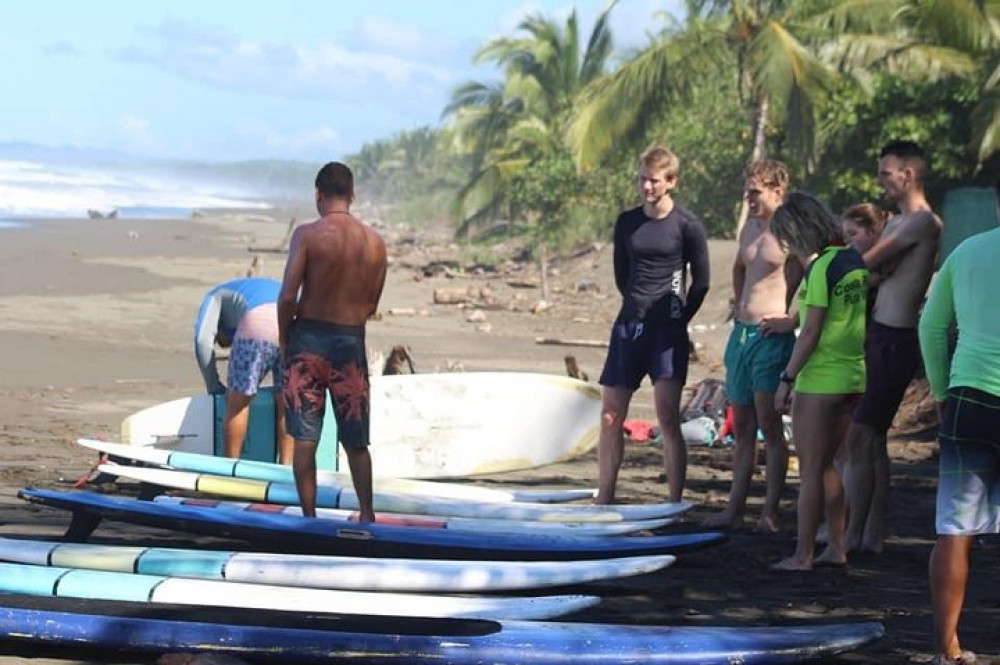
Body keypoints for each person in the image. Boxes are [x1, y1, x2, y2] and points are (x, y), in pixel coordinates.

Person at [594, 145, 710, 505]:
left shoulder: (686, 225)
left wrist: (677, 319)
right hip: (629, 327)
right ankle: (605, 495)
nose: (646, 186)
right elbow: (621, 274)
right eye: (642, 179)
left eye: (654, 181)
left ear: (671, 181)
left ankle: (674, 501)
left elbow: (702, 282)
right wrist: (636, 307)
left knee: (667, 417)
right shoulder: (627, 222)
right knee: (612, 414)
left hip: (667, 335)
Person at [843, 141, 943, 555]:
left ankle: (848, 537)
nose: (880, 181)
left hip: (894, 338)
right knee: (874, 440)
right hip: (879, 333)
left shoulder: (922, 222)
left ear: (908, 175)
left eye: (886, 173)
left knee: (860, 435)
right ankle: (870, 535)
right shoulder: (899, 222)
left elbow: (863, 263)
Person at [918, 183, 1000, 665]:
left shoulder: (968, 250)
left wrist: (942, 392)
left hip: (970, 396)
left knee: (956, 529)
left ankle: (947, 647)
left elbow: (930, 325)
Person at [278, 162, 387, 522]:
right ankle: (367, 513)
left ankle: (309, 518)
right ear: (352, 195)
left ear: (317, 195)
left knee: (306, 438)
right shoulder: (375, 243)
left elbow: (288, 296)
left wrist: (285, 338)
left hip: (308, 339)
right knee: (356, 438)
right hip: (349, 341)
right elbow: (372, 303)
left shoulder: (307, 235)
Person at [770, 193, 868, 571]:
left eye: (788, 239)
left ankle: (803, 554)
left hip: (822, 378)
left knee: (810, 470)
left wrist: (786, 378)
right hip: (853, 376)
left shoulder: (822, 267)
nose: (788, 248)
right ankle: (837, 547)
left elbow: (810, 331)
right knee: (828, 466)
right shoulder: (853, 260)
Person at [703, 159, 802, 532]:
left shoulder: (792, 232)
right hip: (741, 335)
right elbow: (740, 269)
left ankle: (770, 512)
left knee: (769, 426)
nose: (749, 197)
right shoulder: (749, 227)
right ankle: (734, 508)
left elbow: (813, 279)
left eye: (756, 191)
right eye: (747, 190)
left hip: (769, 339)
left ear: (778, 192)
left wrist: (790, 318)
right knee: (741, 426)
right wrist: (739, 302)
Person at [193, 277, 293, 464]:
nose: (227, 345)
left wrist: (213, 385)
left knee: (238, 403)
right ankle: (286, 468)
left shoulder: (213, 296)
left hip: (258, 322)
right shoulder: (253, 289)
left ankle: (230, 469)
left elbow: (202, 341)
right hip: (294, 321)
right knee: (287, 402)